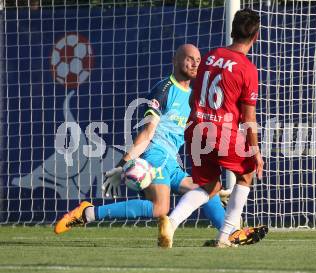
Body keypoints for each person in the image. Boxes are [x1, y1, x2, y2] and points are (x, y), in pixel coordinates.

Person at [54, 44, 264, 246]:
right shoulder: (164, 89)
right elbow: (147, 132)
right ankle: (87, 213)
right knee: (160, 208)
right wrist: (124, 163)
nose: (194, 64)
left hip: (171, 162)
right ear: (175, 60)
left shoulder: (198, 94)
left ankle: (228, 235)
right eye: (189, 58)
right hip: (155, 155)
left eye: (198, 60)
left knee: (206, 190)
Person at [158, 9, 266, 248]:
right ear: (255, 36)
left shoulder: (210, 56)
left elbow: (192, 97)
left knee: (210, 186)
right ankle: (225, 236)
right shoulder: (247, 68)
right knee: (247, 171)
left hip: (196, 128)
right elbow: (249, 117)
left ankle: (171, 223)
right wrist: (255, 151)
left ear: (232, 31)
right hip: (221, 131)